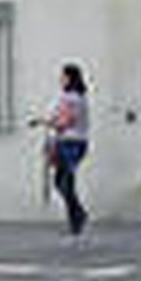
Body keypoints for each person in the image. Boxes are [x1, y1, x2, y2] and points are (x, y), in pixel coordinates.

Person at [47, 63, 90, 235]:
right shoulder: (76, 96)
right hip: (72, 142)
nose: (60, 79)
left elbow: (67, 120)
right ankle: (77, 215)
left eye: (63, 76)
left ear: (70, 78)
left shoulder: (72, 98)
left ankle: (77, 219)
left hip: (70, 143)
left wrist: (51, 123)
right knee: (62, 181)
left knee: (65, 182)